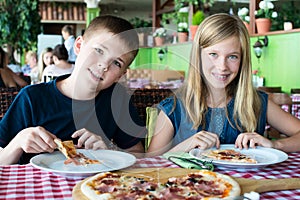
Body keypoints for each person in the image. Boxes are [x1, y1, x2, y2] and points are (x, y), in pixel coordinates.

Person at [147, 13, 300, 157]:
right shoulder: (173, 107)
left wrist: (275, 145)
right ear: (198, 57)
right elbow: (150, 164)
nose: (222, 66)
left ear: (243, 62)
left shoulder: (257, 102)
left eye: (232, 57)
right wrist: (185, 146)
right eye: (213, 55)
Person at [0, 15, 146, 165]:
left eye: (116, 62)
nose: (104, 65)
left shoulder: (117, 99)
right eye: (99, 50)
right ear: (78, 46)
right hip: (36, 185)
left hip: (97, 185)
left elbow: (138, 155)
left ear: (120, 75)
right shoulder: (31, 98)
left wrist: (109, 151)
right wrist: (19, 141)